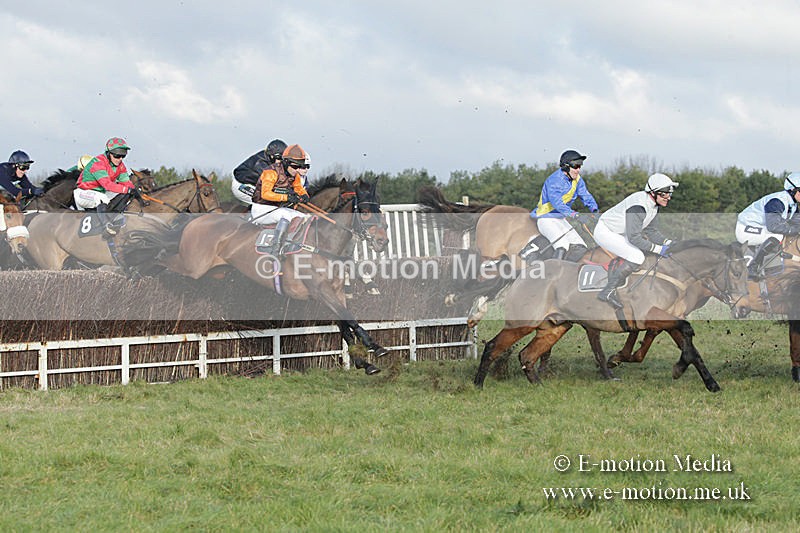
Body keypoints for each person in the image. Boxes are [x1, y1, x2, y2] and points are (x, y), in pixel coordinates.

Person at [594, 173, 679, 309]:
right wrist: (658, 249)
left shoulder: (654, 206)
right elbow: (634, 238)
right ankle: (607, 291)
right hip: (606, 231)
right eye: (664, 194)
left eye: (669, 194)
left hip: (622, 232)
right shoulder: (638, 206)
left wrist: (668, 243)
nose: (668, 197)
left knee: (642, 254)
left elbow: (651, 232)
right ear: (653, 193)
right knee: (637, 256)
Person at [520, 149, 599, 262]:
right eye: (576, 166)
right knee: (562, 245)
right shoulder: (554, 180)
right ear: (566, 166)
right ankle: (553, 274)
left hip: (560, 219)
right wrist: (576, 215)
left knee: (581, 248)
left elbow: (585, 195)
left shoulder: (578, 180)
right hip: (546, 219)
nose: (578, 170)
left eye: (580, 166)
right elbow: (557, 204)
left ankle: (566, 271)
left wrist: (595, 210)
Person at [250, 144, 312, 254]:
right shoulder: (271, 172)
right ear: (286, 163)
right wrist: (287, 197)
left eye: (299, 167)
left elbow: (298, 187)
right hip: (261, 209)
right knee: (286, 216)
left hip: (276, 209)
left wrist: (304, 195)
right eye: (295, 167)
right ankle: (276, 248)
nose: (297, 170)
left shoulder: (294, 175)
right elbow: (266, 194)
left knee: (303, 217)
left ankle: (293, 243)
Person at [736, 172, 800, 278]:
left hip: (760, 228)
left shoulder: (793, 204)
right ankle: (753, 267)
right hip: (745, 228)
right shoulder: (777, 202)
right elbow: (773, 226)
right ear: (792, 190)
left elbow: (797, 222)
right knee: (778, 236)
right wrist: (795, 230)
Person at [74, 137, 135, 236]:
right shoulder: (98, 163)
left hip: (100, 192)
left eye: (123, 156)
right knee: (101, 198)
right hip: (83, 193)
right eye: (117, 155)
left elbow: (126, 183)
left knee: (123, 193)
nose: (120, 159)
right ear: (108, 153)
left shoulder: (121, 166)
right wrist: (127, 189)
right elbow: (107, 185)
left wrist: (136, 191)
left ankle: (116, 217)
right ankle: (106, 226)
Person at [232, 139, 288, 205]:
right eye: (280, 158)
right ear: (272, 156)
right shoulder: (261, 164)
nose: (281, 161)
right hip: (241, 185)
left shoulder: (270, 159)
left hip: (252, 184)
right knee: (266, 200)